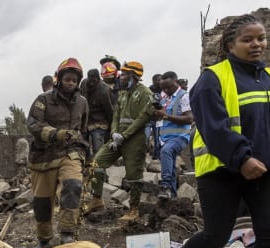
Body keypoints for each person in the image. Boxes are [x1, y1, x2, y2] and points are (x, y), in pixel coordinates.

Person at [174, 14, 270, 248]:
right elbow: (213, 127)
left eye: (261, 39)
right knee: (216, 236)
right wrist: (242, 158)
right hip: (224, 171)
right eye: (248, 40)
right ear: (231, 45)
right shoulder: (213, 78)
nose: (257, 44)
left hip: (267, 171)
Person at [26, 58, 89, 248]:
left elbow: (84, 129)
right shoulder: (43, 100)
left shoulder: (82, 102)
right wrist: (54, 134)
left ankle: (67, 234)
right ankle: (44, 240)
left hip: (71, 152)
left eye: (74, 80)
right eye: (67, 79)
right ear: (59, 79)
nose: (71, 83)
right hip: (44, 156)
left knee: (72, 186)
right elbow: (33, 124)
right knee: (42, 201)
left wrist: (88, 155)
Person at [88, 60, 155, 222]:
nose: (121, 76)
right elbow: (116, 115)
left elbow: (141, 119)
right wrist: (114, 133)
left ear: (133, 76)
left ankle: (134, 209)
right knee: (97, 162)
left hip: (134, 140)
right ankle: (97, 199)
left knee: (134, 175)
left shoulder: (145, 94)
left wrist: (123, 136)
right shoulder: (123, 93)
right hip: (117, 139)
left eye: (125, 74)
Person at [155, 71, 193, 199]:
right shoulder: (164, 98)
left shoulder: (184, 96)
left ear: (176, 82)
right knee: (170, 168)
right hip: (164, 138)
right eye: (163, 88)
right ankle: (172, 199)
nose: (166, 90)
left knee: (167, 151)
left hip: (180, 136)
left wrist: (166, 116)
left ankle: (165, 186)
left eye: (169, 87)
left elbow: (189, 119)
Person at [81, 68, 114, 159]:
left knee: (98, 149)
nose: (91, 82)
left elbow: (110, 111)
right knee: (83, 147)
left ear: (98, 78)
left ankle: (99, 171)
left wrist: (112, 128)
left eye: (94, 80)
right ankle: (87, 168)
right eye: (89, 79)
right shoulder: (84, 84)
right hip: (85, 122)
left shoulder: (105, 90)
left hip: (99, 122)